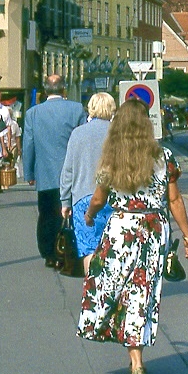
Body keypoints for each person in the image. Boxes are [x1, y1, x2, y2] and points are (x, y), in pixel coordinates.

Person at [76, 99, 188, 374]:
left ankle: (134, 361)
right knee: (142, 293)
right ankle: (137, 361)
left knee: (109, 287)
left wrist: (89, 215)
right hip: (154, 230)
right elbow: (174, 199)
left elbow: (98, 198)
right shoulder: (164, 156)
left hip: (121, 228)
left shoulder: (112, 158)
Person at [23, 75, 87, 268]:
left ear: (45, 90)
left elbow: (28, 145)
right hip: (73, 174)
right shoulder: (76, 109)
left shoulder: (33, 113)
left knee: (47, 215)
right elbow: (82, 141)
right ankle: (70, 250)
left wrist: (29, 173)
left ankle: (49, 253)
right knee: (71, 214)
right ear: (63, 89)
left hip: (45, 173)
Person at [60, 92, 117, 274]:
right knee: (114, 248)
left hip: (83, 198)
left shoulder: (78, 133)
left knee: (89, 248)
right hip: (114, 199)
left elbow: (68, 170)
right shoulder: (118, 133)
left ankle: (92, 285)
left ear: (91, 109)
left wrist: (65, 201)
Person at [0, 89, 14, 193]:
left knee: (0, 163)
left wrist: (9, 142)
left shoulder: (4, 110)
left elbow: (8, 126)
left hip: (2, 140)